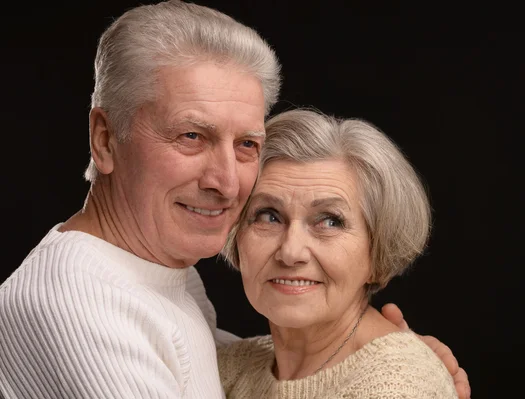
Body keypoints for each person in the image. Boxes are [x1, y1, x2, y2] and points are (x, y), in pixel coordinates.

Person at [0, 1, 469, 398]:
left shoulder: (159, 274)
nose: (226, 183)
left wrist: (387, 358)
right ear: (105, 140)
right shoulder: (77, 302)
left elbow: (208, 366)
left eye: (246, 144)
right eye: (191, 135)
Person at [217, 108, 458, 398]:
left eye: (330, 221)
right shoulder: (228, 367)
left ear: (378, 250)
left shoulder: (399, 387)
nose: (291, 252)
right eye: (269, 216)